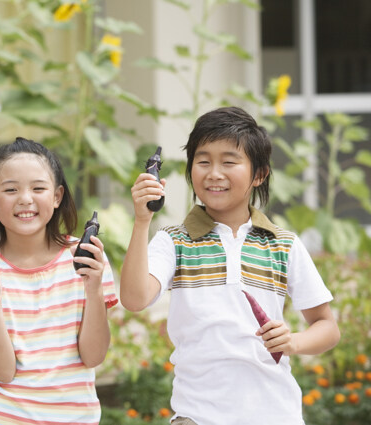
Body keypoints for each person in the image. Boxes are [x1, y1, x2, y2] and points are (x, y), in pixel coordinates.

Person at [120, 106, 340, 425]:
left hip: (276, 414)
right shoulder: (173, 241)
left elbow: (327, 328)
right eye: (203, 161)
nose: (214, 173)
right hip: (196, 416)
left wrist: (293, 342)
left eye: (229, 162)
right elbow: (134, 298)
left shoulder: (284, 244)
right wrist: (142, 221)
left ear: (259, 174)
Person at [0, 137, 118, 425]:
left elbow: (93, 356)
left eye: (38, 188)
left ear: (57, 196)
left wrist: (93, 289)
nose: (25, 199)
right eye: (11, 189)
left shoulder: (87, 261)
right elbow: (2, 371)